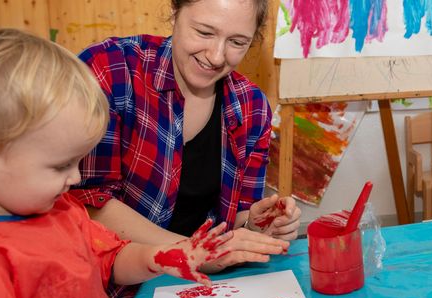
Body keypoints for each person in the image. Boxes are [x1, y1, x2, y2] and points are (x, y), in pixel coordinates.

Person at [0, 27, 233, 298]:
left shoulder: (61, 210)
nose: (76, 178)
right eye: (60, 165)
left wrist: (159, 256)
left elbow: (111, 259)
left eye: (77, 161)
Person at [73, 0, 302, 275]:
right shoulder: (110, 69)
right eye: (204, 33)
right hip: (112, 284)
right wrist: (195, 253)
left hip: (205, 284)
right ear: (175, 13)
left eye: (237, 42)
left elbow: (240, 212)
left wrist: (256, 226)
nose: (217, 56)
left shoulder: (252, 106)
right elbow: (88, 204)